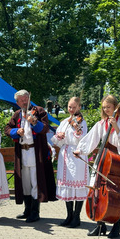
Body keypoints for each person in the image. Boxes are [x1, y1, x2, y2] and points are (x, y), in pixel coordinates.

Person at [73, 94, 120, 238]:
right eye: (104, 107)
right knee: (98, 191)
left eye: (109, 107)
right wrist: (81, 150)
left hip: (119, 160)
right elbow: (91, 139)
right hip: (104, 160)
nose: (106, 110)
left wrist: (117, 128)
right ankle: (100, 225)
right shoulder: (101, 124)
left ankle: (116, 226)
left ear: (116, 107)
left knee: (117, 195)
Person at [5, 90, 57, 223]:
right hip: (22, 152)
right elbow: (7, 130)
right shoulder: (17, 114)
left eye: (26, 98)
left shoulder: (39, 111)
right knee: (25, 182)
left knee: (35, 181)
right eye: (21, 100)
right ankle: (27, 209)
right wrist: (16, 131)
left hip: (35, 152)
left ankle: (35, 211)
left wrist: (34, 122)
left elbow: (45, 128)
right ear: (17, 102)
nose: (24, 101)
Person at [51, 97, 88, 228]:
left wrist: (77, 129)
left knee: (77, 186)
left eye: (74, 107)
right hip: (65, 154)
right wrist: (59, 137)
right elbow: (57, 142)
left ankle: (77, 217)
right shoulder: (64, 122)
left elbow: (83, 139)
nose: (71, 109)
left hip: (77, 155)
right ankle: (69, 215)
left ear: (79, 107)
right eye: (69, 107)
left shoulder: (82, 123)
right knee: (67, 186)